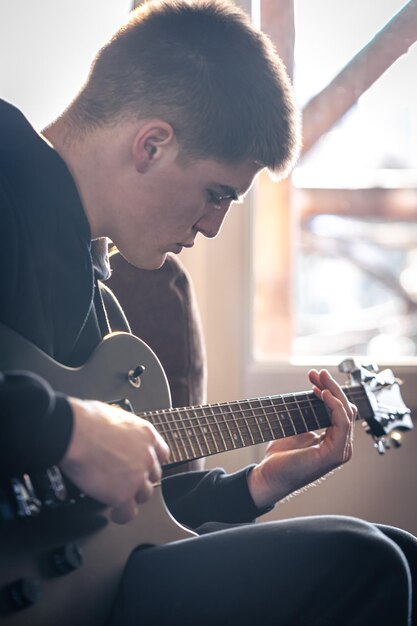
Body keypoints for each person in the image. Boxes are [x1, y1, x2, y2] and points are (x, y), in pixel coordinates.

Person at [0, 1, 416, 624]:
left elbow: (127, 528)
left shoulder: (101, 312)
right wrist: (65, 427)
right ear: (152, 145)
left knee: (402, 552)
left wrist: (262, 483)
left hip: (69, 587)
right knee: (364, 560)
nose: (214, 226)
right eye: (217, 193)